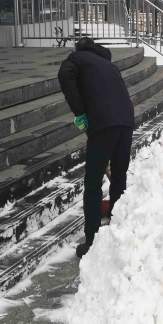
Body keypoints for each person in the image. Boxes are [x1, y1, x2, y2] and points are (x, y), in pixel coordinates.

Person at [58, 37, 135, 258]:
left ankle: (91, 241)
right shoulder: (107, 63)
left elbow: (64, 75)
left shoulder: (76, 59)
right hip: (126, 120)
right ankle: (117, 231)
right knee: (118, 177)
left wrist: (79, 112)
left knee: (92, 183)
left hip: (103, 123)